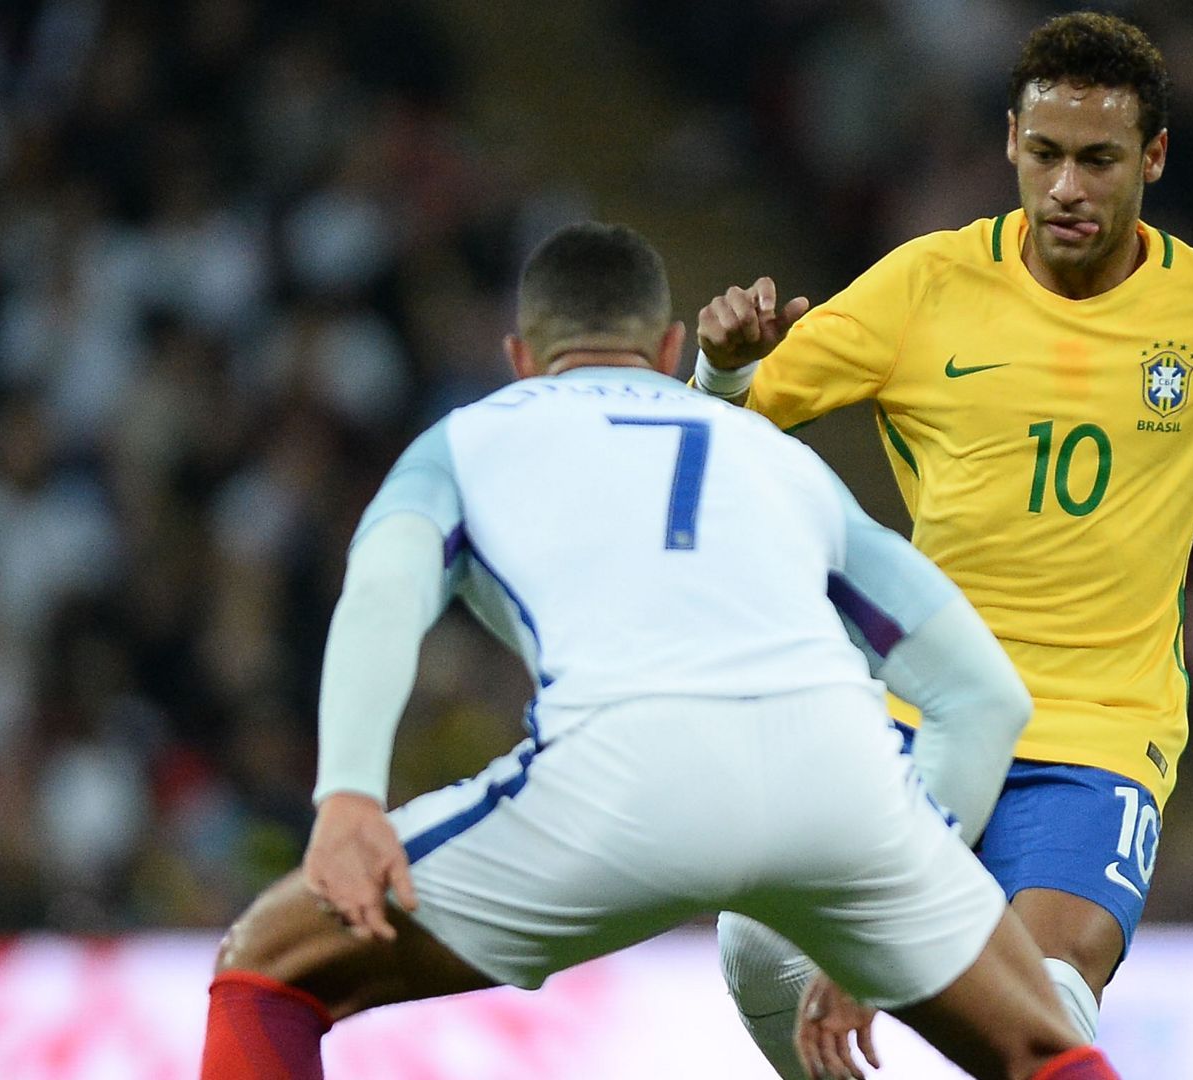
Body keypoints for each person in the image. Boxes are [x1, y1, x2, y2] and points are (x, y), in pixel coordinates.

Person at [197, 222, 1125, 1080]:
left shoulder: (469, 440)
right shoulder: (781, 460)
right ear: (673, 350)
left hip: (617, 778)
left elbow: (382, 591)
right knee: (1044, 1051)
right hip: (841, 782)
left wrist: (349, 794)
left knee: (267, 967)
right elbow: (985, 696)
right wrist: (907, 882)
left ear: (520, 359)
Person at [693, 10, 1193, 1076]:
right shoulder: (925, 286)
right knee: (758, 943)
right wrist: (722, 368)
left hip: (1098, 734)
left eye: (1098, 159)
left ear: (1153, 157)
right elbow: (724, 438)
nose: (1066, 187)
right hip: (924, 712)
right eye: (1045, 154)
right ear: (1011, 145)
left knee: (1047, 996)